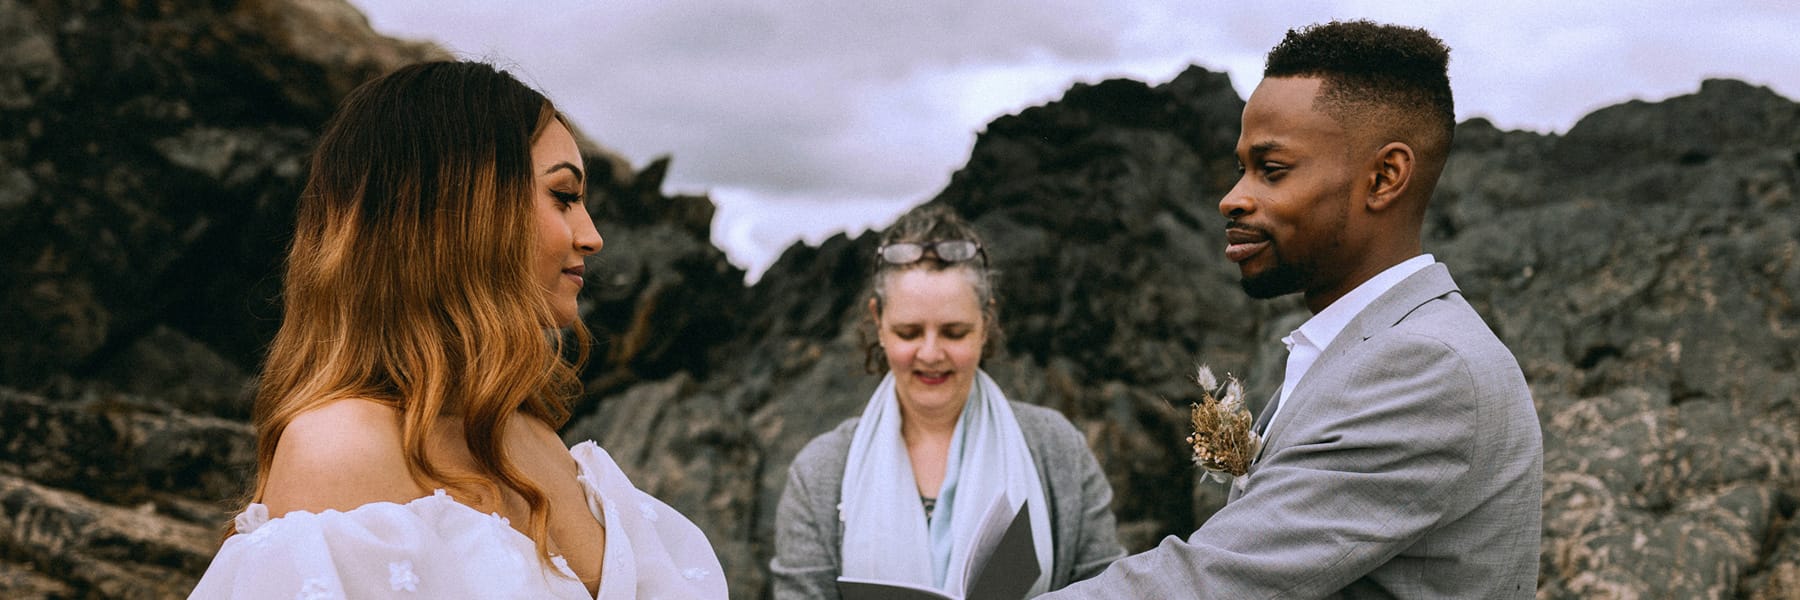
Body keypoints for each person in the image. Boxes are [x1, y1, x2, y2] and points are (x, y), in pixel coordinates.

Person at [1043, 21, 1542, 599]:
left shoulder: (1427, 366)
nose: (1233, 197)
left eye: (1271, 170)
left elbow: (1211, 582)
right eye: (1241, 169)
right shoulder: (1370, 345)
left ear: (1384, 178)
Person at [189, 61, 725, 599]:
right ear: (457, 208)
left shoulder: (523, 432)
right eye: (563, 196)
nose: (591, 237)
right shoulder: (341, 450)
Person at [769, 204, 1125, 599]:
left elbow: (1107, 588)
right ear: (878, 323)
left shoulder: (1058, 449)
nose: (931, 353)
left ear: (986, 324)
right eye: (908, 332)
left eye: (954, 332)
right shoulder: (820, 472)